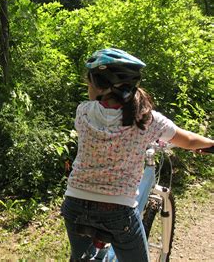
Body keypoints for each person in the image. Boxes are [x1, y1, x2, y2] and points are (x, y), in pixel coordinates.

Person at [61, 48, 214, 262]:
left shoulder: (83, 111)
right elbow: (188, 140)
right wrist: (210, 145)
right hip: (117, 210)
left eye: (89, 84)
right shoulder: (148, 120)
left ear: (99, 85)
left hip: (75, 201)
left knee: (80, 258)